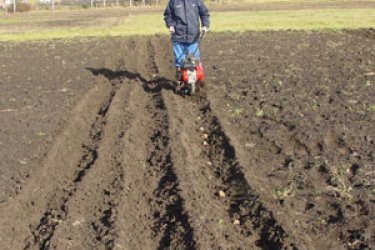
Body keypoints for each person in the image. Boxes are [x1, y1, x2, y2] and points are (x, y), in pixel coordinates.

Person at [163, 0, 210, 78]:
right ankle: (179, 77)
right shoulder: (173, 2)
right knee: (180, 61)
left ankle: (193, 81)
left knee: (193, 61)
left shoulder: (196, 1)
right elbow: (168, 15)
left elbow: (204, 13)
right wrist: (170, 26)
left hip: (193, 37)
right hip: (178, 36)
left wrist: (205, 25)